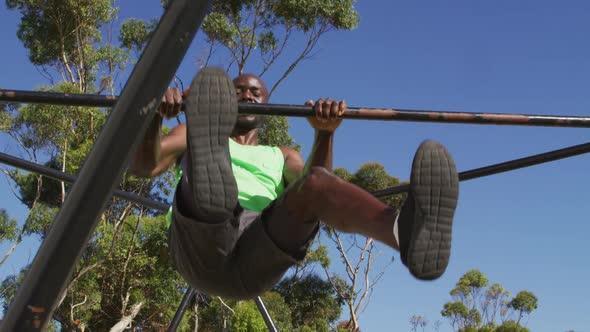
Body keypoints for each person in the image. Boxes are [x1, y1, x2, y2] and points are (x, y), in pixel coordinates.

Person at [129, 67, 459, 299]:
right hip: (201, 249)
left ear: (267, 103)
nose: (247, 96)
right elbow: (144, 168)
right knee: (209, 176)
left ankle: (409, 235)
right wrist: (154, 119)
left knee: (314, 183)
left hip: (257, 252)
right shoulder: (189, 133)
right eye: (238, 92)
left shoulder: (282, 155)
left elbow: (319, 194)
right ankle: (213, 180)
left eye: (254, 93)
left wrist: (325, 132)